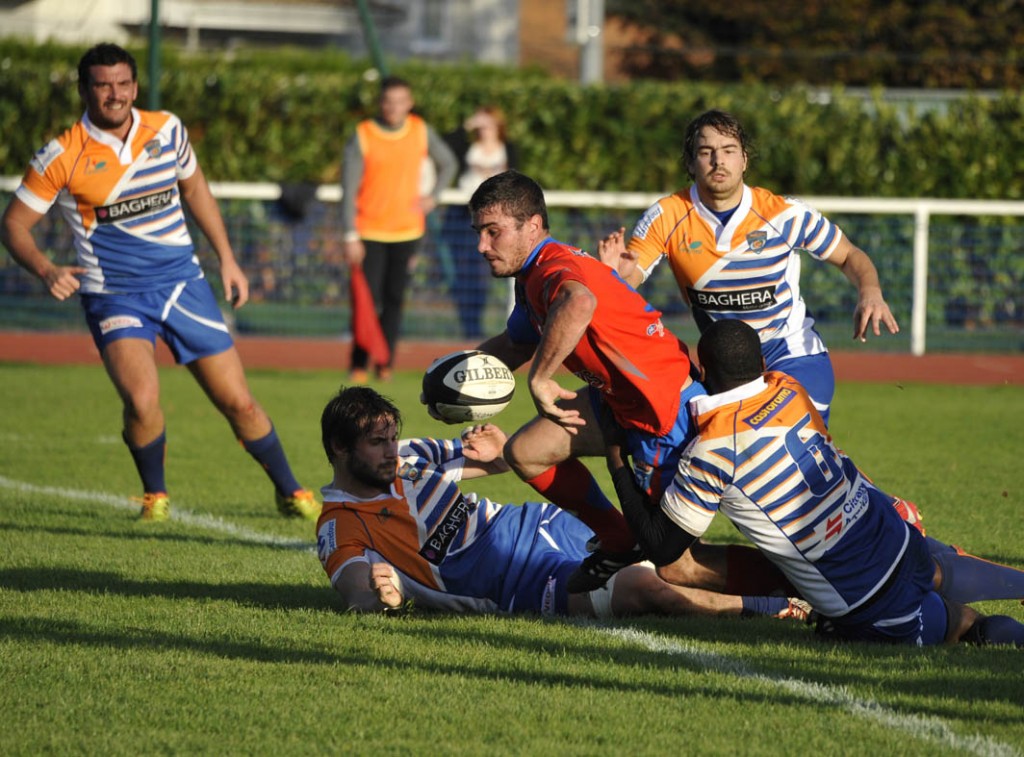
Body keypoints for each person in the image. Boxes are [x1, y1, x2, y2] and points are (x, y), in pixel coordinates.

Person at [0, 43, 318, 523]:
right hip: (115, 295)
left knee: (240, 401)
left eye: (123, 84)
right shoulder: (60, 154)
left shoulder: (167, 129)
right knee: (142, 400)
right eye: (103, 85)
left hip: (183, 285)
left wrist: (228, 259)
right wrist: (47, 270)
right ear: (84, 89)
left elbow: (195, 189)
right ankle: (155, 496)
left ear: (135, 86)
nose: (115, 94)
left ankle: (291, 491)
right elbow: (13, 224)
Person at [605, 319, 1024, 647]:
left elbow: (663, 547)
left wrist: (616, 458)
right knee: (938, 578)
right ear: (761, 365)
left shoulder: (715, 449)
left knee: (965, 627)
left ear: (704, 370)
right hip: (892, 534)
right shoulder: (789, 389)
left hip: (863, 596)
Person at [316, 385, 810, 622]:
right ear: (340, 448)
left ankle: (818, 584)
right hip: (520, 579)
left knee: (673, 553)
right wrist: (384, 596)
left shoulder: (410, 455)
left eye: (391, 438)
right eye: (376, 444)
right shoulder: (340, 524)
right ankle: (782, 609)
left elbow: (496, 460)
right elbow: (359, 593)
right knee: (648, 588)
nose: (390, 451)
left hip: (544, 522)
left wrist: (496, 445)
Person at [462, 169, 708, 593]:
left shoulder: (553, 267)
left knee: (675, 568)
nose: (482, 245)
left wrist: (540, 380)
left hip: (664, 409)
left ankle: (780, 598)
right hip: (617, 403)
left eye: (493, 232)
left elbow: (579, 302)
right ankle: (618, 540)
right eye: (479, 233)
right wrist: (453, 374)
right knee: (525, 451)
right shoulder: (531, 277)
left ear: (533, 226)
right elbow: (516, 343)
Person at [599, 109, 900, 426]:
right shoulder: (667, 215)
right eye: (706, 152)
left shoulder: (784, 213)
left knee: (783, 444)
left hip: (792, 353)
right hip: (724, 365)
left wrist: (870, 293)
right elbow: (630, 276)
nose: (718, 161)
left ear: (744, 160)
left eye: (729, 151)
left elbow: (850, 255)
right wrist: (613, 275)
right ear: (690, 163)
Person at [340, 75, 457, 383]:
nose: (393, 107)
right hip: (369, 232)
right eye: (388, 101)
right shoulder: (364, 134)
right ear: (381, 103)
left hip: (407, 232)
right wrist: (350, 233)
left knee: (394, 300)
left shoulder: (420, 131)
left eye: (400, 101)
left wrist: (434, 197)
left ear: (410, 103)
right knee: (368, 301)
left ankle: (385, 363)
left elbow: (449, 163)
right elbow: (349, 188)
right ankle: (359, 363)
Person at [441, 105, 519, 339]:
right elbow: (443, 146)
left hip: (496, 220)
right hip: (464, 219)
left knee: (485, 274)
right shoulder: (468, 147)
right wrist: (467, 125)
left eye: (489, 123)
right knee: (465, 275)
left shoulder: (509, 149)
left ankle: (494, 327)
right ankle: (469, 327)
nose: (485, 129)